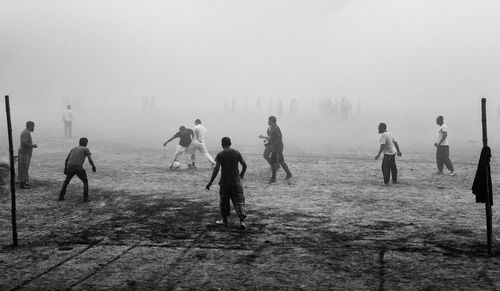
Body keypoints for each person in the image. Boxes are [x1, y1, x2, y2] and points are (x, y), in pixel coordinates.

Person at [206, 137, 247, 229]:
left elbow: (216, 169)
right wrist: (242, 174)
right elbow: (244, 165)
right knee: (239, 201)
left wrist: (210, 182)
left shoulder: (221, 154)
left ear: (222, 144)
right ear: (230, 143)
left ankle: (224, 220)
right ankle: (242, 222)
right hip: (236, 181)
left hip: (225, 182)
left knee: (224, 201)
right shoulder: (237, 153)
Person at [59, 137, 96, 202]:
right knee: (85, 181)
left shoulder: (73, 148)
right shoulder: (86, 149)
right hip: (78, 167)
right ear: (86, 143)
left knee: (66, 181)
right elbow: (90, 159)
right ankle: (85, 198)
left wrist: (65, 168)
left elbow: (66, 159)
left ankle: (61, 196)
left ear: (79, 143)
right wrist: (93, 166)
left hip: (69, 166)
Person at [267, 116, 292, 183]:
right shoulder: (271, 128)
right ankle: (288, 174)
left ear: (272, 121)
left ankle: (273, 178)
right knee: (280, 161)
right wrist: (268, 144)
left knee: (273, 162)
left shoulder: (276, 128)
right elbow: (272, 138)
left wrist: (273, 145)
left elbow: (279, 138)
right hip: (276, 147)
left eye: (269, 121)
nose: (268, 122)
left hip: (278, 148)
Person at [18, 121, 38, 189]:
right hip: (24, 153)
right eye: (33, 126)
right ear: (30, 126)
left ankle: (24, 182)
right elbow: (24, 143)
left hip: (25, 153)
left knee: (25, 168)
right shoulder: (26, 133)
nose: (33, 128)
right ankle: (22, 184)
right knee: (23, 168)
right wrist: (32, 146)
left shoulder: (26, 132)